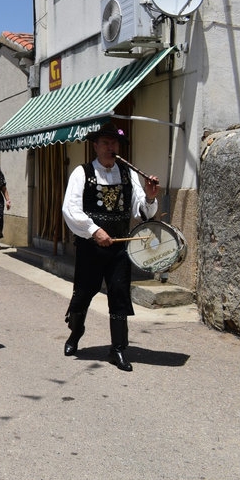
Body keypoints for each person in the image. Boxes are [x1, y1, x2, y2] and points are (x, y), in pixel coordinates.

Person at [61, 123, 159, 372]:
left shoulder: (128, 174)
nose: (110, 147)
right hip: (90, 247)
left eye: (114, 143)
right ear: (95, 145)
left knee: (119, 296)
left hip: (119, 248)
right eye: (105, 142)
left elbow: (143, 213)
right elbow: (70, 209)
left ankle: (118, 349)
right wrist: (94, 231)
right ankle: (75, 333)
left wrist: (149, 196)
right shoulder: (81, 173)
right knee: (83, 293)